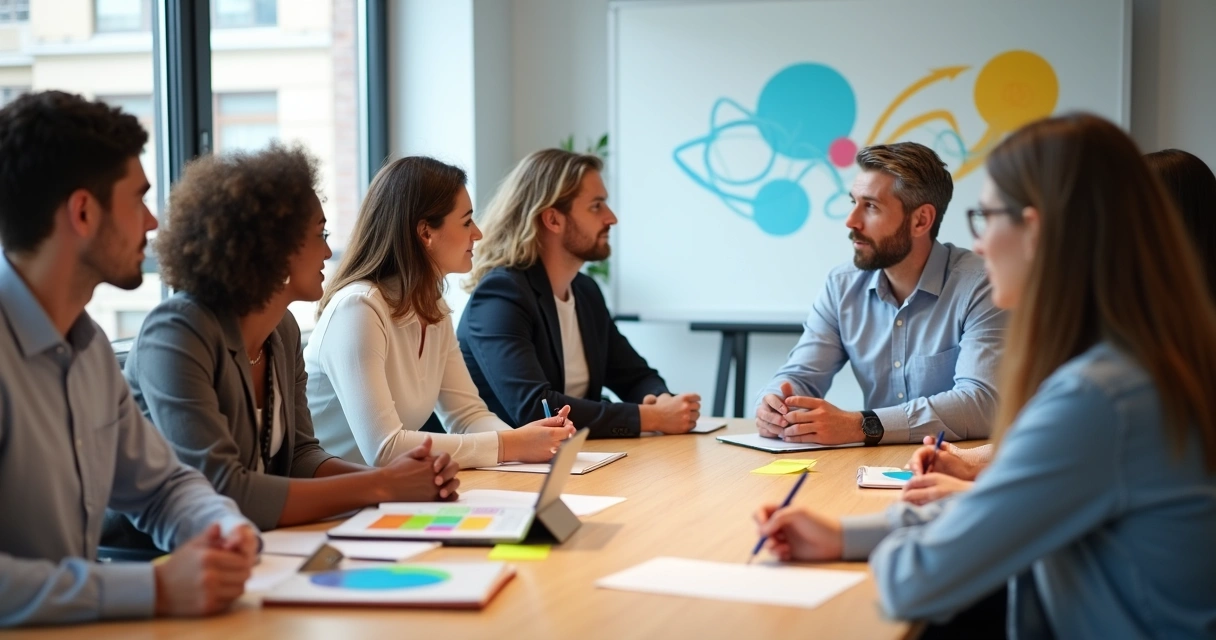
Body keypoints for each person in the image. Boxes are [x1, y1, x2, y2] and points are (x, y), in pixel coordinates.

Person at [755, 113, 1216, 637]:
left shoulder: (1096, 397)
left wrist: (898, 529)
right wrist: (844, 536)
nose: (980, 243)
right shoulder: (1138, 364)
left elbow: (917, 580)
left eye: (986, 216)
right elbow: (1012, 506)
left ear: (1035, 231)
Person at [0, 90, 258, 627]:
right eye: (138, 200)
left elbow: (162, 487)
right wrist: (155, 587)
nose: (152, 223)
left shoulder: (89, 349)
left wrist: (221, 527)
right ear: (83, 211)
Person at [116, 144, 459, 537]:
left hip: (262, 543)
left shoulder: (283, 331)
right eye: (320, 235)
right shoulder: (176, 333)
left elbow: (300, 455)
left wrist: (401, 479)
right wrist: (383, 485)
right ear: (271, 248)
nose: (329, 251)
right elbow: (223, 491)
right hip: (166, 561)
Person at [901, 147, 1216, 506]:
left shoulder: (1161, 356)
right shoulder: (1131, 331)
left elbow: (1094, 485)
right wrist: (968, 463)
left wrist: (972, 493)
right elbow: (1067, 440)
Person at [305, 156, 575, 469]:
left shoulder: (432, 308)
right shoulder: (358, 309)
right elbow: (385, 448)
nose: (478, 233)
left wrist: (536, 443)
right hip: (331, 506)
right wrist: (511, 444)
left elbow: (467, 416)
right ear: (426, 233)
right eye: (466, 221)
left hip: (381, 496)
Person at [755, 142, 1005, 447]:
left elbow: (980, 404)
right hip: (872, 468)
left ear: (921, 220)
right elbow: (801, 376)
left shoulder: (983, 285)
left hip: (960, 468)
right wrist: (773, 405)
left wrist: (863, 425)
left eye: (871, 206)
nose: (851, 221)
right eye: (853, 202)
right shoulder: (842, 286)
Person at [457, 149, 700, 438]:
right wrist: (651, 417)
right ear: (553, 220)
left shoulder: (585, 292)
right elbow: (536, 408)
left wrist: (658, 399)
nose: (611, 218)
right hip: (508, 471)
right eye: (597, 206)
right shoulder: (501, 295)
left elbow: (635, 376)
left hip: (575, 461)